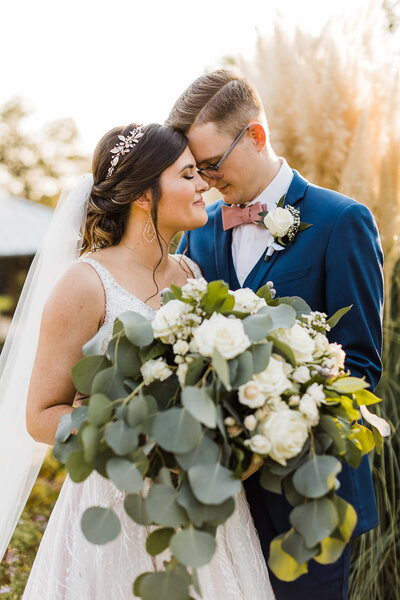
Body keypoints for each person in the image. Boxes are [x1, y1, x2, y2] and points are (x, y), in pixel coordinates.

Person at [0, 122, 274, 599]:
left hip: (201, 506)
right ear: (144, 196)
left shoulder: (191, 273)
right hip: (118, 504)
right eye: (187, 175)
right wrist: (142, 435)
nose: (203, 185)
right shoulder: (84, 283)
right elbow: (40, 416)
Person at [168, 69, 384, 600]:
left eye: (213, 164)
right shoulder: (199, 235)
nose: (207, 180)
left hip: (311, 494)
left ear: (257, 136)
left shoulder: (342, 221)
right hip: (225, 502)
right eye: (196, 169)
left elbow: (360, 362)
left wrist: (272, 412)